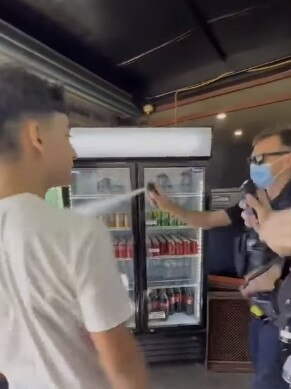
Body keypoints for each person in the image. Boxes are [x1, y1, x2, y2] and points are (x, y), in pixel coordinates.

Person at [0, 67, 148, 389]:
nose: (74, 151)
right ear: (36, 135)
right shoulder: (78, 232)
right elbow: (120, 363)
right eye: (67, 135)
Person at [149, 128, 291, 389]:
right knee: (262, 375)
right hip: (259, 313)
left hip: (283, 319)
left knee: (267, 383)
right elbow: (207, 220)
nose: (253, 167)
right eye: (251, 161)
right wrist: (167, 206)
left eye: (260, 160)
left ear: (288, 159)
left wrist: (273, 276)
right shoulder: (255, 202)